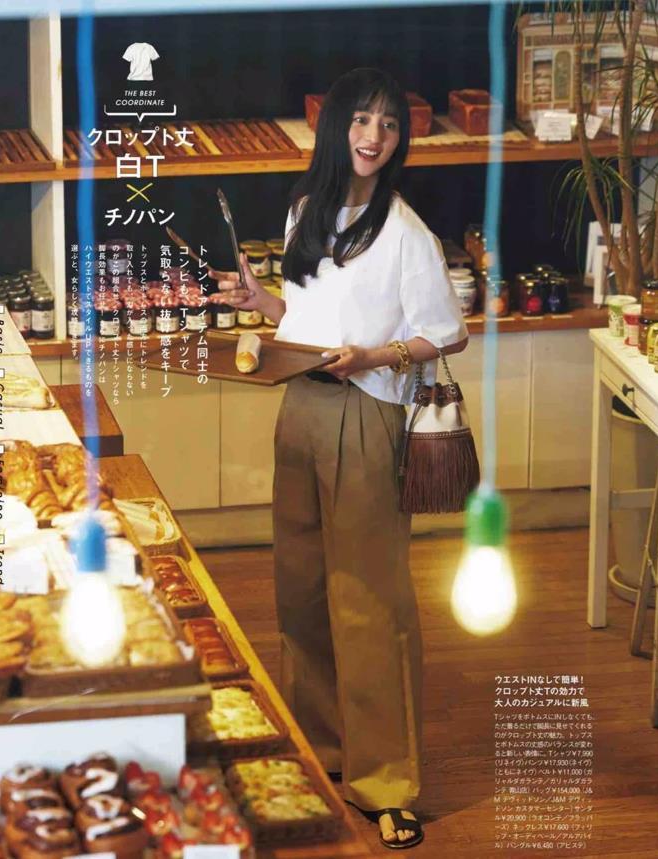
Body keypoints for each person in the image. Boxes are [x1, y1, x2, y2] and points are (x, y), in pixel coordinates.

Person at [209, 67, 468, 850]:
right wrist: (261, 303)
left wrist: (375, 355)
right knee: (302, 593)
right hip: (301, 406)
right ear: (336, 129)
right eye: (361, 120)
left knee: (370, 603)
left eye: (388, 125)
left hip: (366, 413)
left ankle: (387, 782)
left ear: (400, 140)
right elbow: (306, 313)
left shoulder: (407, 233)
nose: (373, 136)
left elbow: (446, 331)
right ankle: (320, 752)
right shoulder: (307, 210)